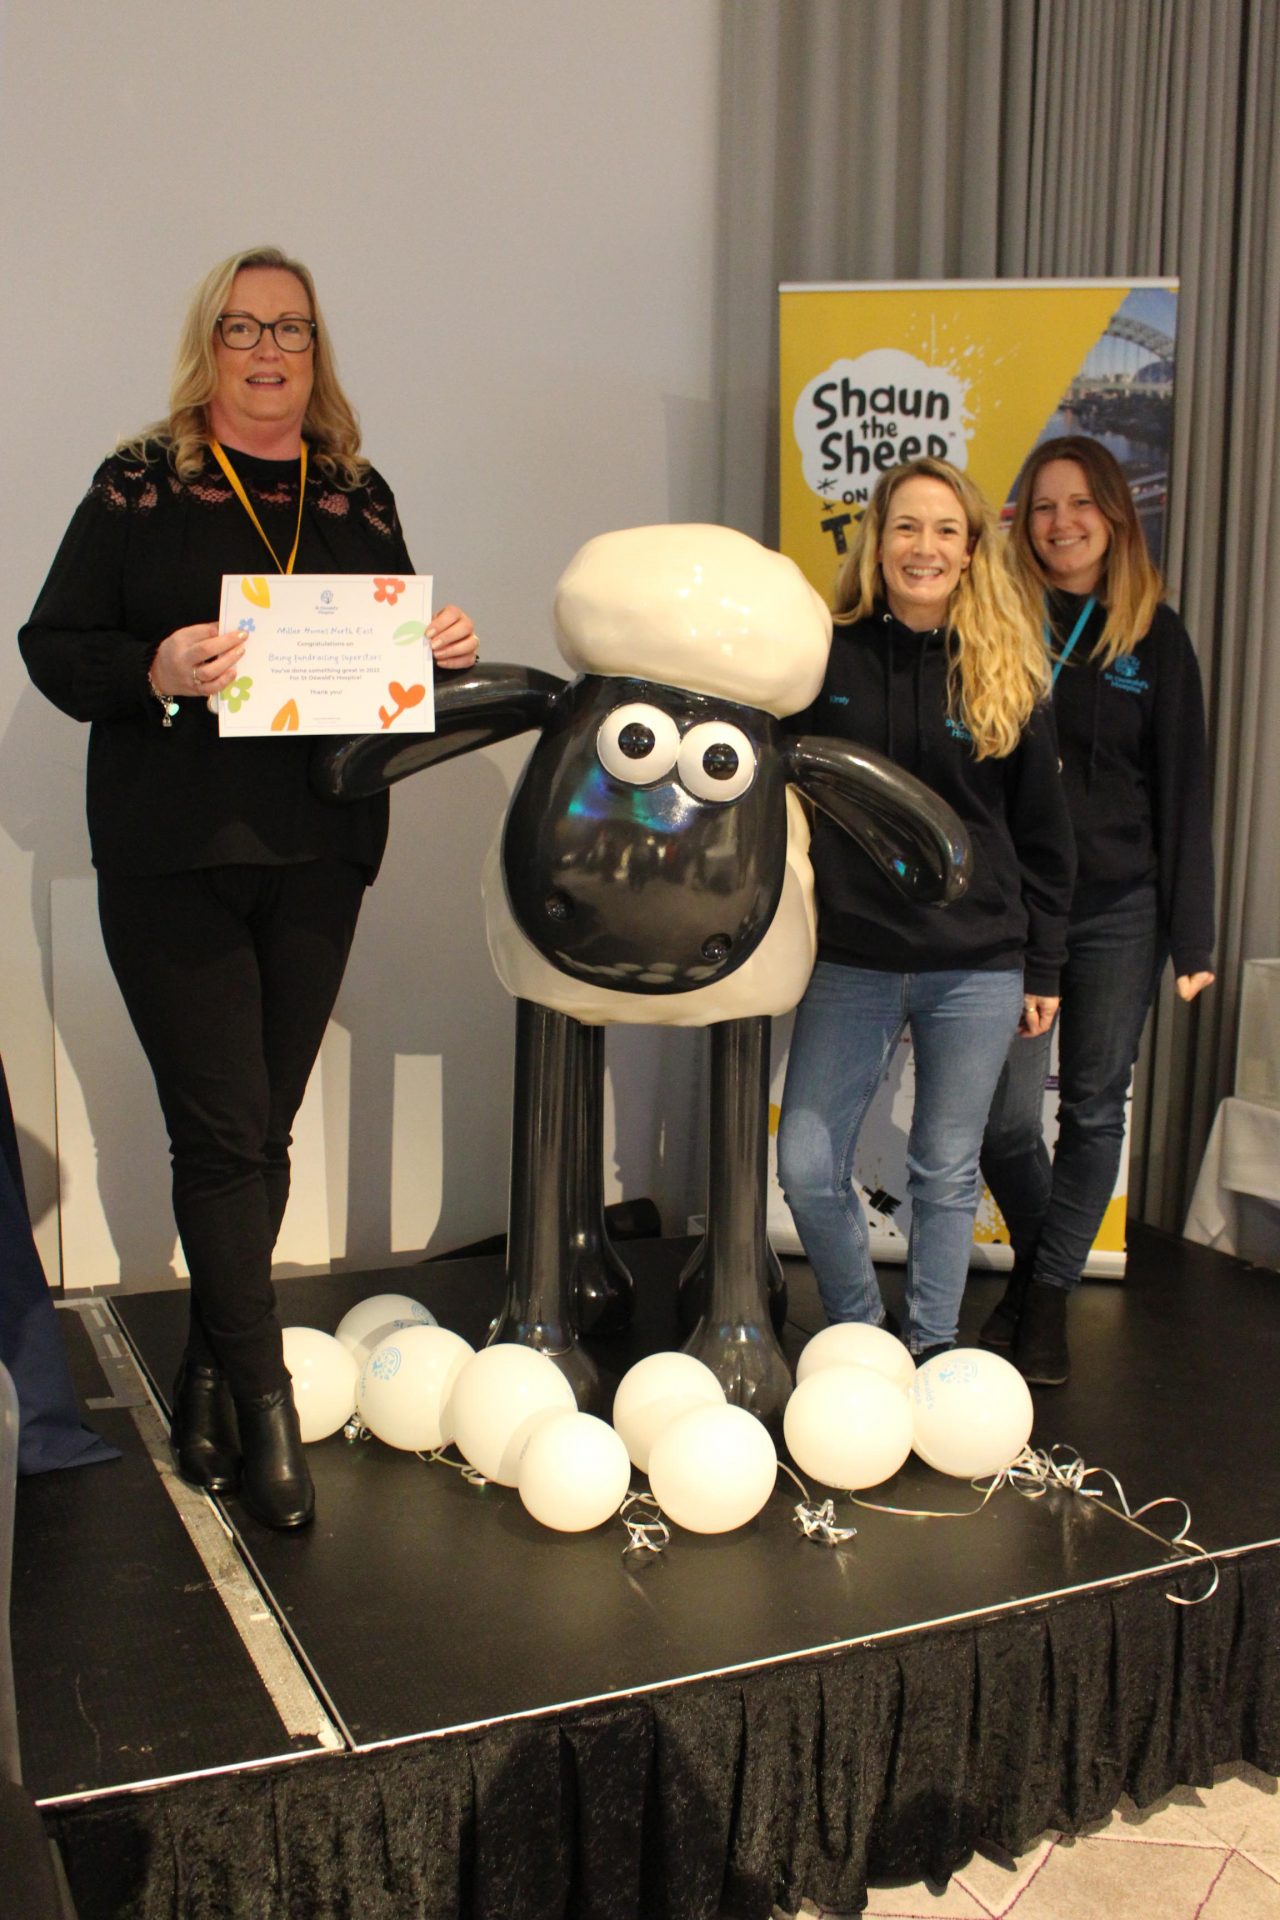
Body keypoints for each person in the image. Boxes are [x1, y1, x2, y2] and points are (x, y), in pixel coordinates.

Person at [20, 246, 478, 1527]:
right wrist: (154, 667)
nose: (268, 351)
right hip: (173, 856)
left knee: (257, 1135)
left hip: (320, 854)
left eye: (291, 329)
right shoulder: (140, 482)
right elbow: (53, 645)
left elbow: (385, 669)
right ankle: (266, 1399)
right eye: (242, 327)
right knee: (225, 1136)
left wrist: (437, 649)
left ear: (316, 350)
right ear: (207, 344)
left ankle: (209, 1376)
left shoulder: (355, 492)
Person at [777, 458, 1075, 1359]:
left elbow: (1043, 834)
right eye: (906, 526)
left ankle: (932, 1350)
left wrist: (1045, 966)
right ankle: (865, 1339)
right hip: (852, 955)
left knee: (946, 1173)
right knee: (806, 1166)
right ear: (878, 540)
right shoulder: (824, 655)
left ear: (972, 550)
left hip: (975, 964)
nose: (925, 547)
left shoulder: (1006, 668)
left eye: (946, 530)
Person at [978, 434, 1215, 1384]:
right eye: (1043, 505)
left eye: (1080, 503)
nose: (1061, 522)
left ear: (1115, 516)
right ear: (1023, 524)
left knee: (1091, 1110)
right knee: (999, 1121)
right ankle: (1046, 1272)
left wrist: (1193, 934)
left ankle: (1043, 1306)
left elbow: (1184, 788)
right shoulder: (998, 621)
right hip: (1015, 908)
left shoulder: (1155, 635)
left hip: (1122, 908)